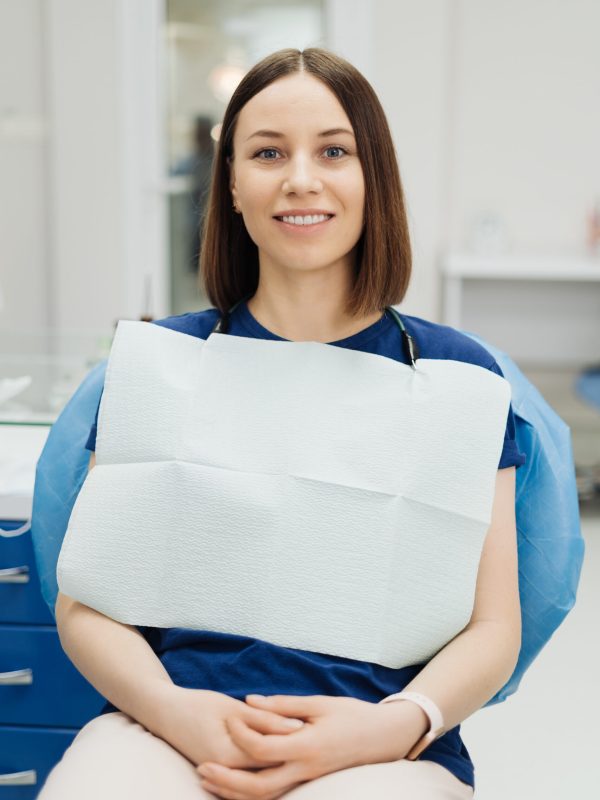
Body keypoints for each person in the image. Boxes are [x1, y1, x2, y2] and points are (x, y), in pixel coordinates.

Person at [39, 46, 526, 799]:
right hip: (173, 728)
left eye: (334, 151)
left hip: (384, 740)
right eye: (268, 153)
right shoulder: (168, 361)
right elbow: (88, 604)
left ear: (374, 179)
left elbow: (495, 628)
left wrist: (397, 723)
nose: (301, 178)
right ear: (231, 183)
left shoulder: (457, 377)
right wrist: (176, 713)